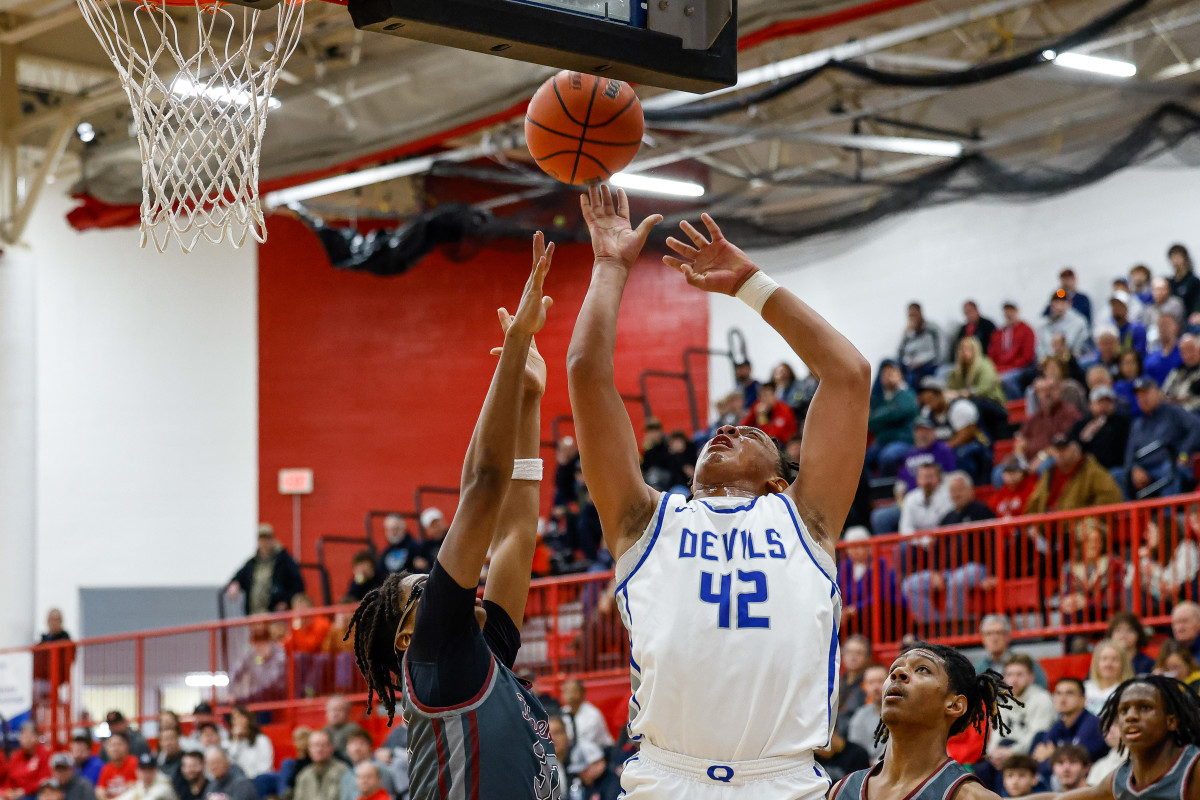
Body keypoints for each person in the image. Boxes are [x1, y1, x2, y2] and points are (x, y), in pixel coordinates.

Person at [568, 188, 869, 798]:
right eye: (719, 430)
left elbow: (848, 374)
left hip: (784, 782)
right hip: (664, 779)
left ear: (778, 481)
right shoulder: (646, 519)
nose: (726, 428)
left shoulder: (803, 517)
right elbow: (586, 371)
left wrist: (751, 286)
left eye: (751, 432)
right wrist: (608, 267)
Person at [345, 235, 563, 799]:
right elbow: (483, 488)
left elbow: (516, 535)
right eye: (425, 588)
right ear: (406, 633)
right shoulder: (435, 651)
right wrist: (512, 355)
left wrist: (530, 401)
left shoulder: (480, 659)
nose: (443, 585)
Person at [829, 643, 1017, 800]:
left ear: (955, 705)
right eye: (893, 669)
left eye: (922, 669)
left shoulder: (971, 797)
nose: (898, 673)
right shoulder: (842, 790)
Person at [1026, 675, 1200, 800]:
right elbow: (1059, 799)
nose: (1130, 717)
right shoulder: (1121, 779)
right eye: (1124, 710)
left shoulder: (1193, 768)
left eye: (1145, 708)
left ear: (1171, 721)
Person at [1118, 376, 1200, 499]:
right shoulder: (1137, 423)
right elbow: (1129, 454)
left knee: (1168, 469)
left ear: (1158, 393)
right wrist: (1134, 469)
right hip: (1145, 469)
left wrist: (1184, 453)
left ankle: (1167, 516)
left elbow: (1196, 427)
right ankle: (1130, 516)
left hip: (1170, 464)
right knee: (1117, 475)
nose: (1142, 398)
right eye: (1138, 395)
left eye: (1145, 393)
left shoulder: (1173, 412)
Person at [981, 656, 1056, 789]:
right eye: (1010, 674)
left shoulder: (1042, 698)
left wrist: (1010, 753)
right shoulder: (1002, 700)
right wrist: (993, 753)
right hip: (1007, 752)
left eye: (1020, 674)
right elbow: (997, 734)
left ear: (1031, 677)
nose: (1014, 680)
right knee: (982, 769)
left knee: (1009, 763)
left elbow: (1036, 737)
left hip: (1032, 753)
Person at [1024, 432, 1123, 516]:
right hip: (1048, 530)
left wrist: (1085, 515)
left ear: (1075, 449)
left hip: (1076, 527)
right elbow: (1034, 502)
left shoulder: (1091, 470)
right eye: (1057, 450)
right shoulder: (1049, 473)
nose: (1060, 453)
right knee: (1020, 536)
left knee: (1085, 530)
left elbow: (1111, 497)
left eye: (1064, 449)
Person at [916, 379, 992, 487]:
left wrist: (943, 449)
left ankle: (972, 486)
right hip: (946, 448)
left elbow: (967, 435)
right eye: (926, 401)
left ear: (940, 395)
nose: (929, 404)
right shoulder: (927, 413)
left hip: (974, 445)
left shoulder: (959, 407)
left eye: (931, 400)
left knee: (962, 455)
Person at [225, 524, 305, 615]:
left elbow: (298, 584)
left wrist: (286, 601)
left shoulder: (284, 560)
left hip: (275, 614)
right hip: (254, 614)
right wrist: (235, 584)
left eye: (267, 539)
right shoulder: (252, 563)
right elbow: (238, 577)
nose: (264, 543)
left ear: (273, 540)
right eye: (262, 539)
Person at [1031, 679, 1109, 771]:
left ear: (1083, 700)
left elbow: (1076, 763)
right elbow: (1038, 759)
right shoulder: (1059, 725)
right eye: (1058, 693)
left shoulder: (1093, 724)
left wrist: (1053, 754)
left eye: (1069, 693)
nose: (1062, 699)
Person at [866, 359, 919, 477]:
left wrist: (880, 416)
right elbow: (871, 422)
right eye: (884, 373)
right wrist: (887, 415)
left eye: (892, 372)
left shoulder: (907, 394)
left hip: (904, 441)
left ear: (900, 375)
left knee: (888, 457)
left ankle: (888, 489)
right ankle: (871, 491)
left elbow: (899, 412)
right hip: (882, 441)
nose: (888, 376)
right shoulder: (879, 398)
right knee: (860, 460)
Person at [976, 616, 1048, 688]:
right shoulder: (978, 669)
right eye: (989, 634)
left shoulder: (1025, 662)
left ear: (1008, 636)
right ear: (983, 638)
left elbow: (1041, 688)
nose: (994, 638)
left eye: (998, 633)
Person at [1070, 387, 1130, 472]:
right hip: (1086, 470)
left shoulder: (1122, 423)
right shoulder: (1081, 424)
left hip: (1114, 468)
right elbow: (1073, 447)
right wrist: (1084, 437)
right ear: (1091, 404)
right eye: (1100, 402)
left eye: (1108, 402)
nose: (1104, 405)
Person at [992, 301, 1038, 399]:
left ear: (1017, 311)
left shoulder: (1026, 330)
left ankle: (1017, 408)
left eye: (1011, 310)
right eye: (1006, 310)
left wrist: (1008, 368)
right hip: (999, 369)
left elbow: (1027, 356)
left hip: (1020, 368)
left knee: (1007, 380)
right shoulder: (998, 333)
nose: (1009, 313)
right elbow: (992, 354)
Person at [846, 665, 888, 764]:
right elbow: (855, 751)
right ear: (864, 687)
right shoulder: (860, 715)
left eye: (880, 681)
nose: (875, 687)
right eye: (871, 682)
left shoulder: (904, 714)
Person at [947, 337, 1006, 406]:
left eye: (968, 348)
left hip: (991, 402)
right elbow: (949, 389)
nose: (964, 352)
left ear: (975, 349)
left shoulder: (984, 364)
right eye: (962, 349)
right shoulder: (957, 371)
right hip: (968, 402)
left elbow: (984, 389)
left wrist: (963, 393)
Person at [336, 732, 394, 800]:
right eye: (353, 744)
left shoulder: (380, 769)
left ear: (370, 747)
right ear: (347, 749)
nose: (357, 748)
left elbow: (386, 794)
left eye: (362, 743)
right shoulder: (347, 774)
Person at [560, 679, 614, 752]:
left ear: (582, 693)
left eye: (572, 691)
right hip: (574, 754)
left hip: (602, 753)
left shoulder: (592, 714)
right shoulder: (562, 712)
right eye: (566, 691)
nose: (569, 695)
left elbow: (585, 744)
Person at [1084, 641, 1134, 716]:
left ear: (1123, 664)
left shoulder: (1129, 691)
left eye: (1114, 659)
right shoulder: (1085, 687)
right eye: (1104, 659)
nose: (1108, 664)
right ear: (1096, 663)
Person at [900, 303, 944, 385]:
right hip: (911, 366)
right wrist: (905, 335)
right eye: (910, 316)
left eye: (914, 315)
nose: (912, 318)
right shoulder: (909, 334)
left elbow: (941, 350)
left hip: (929, 365)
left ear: (920, 313)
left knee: (912, 376)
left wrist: (922, 361)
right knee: (885, 365)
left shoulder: (932, 329)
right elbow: (900, 355)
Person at [1038, 291, 1091, 361]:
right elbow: (1040, 348)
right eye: (1056, 302)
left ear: (1069, 304)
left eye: (1062, 303)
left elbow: (1076, 346)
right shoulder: (1044, 324)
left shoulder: (1078, 322)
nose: (1059, 306)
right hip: (1049, 362)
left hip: (1072, 361)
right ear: (1051, 305)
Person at [293, 733, 346, 800]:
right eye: (315, 746)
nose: (319, 750)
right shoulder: (304, 776)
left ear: (331, 748)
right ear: (309, 749)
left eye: (323, 745)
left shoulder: (343, 772)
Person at [6, 724, 52, 800]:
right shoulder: (15, 756)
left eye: (30, 736)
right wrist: (10, 792)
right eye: (24, 736)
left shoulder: (44, 754)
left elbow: (45, 780)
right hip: (17, 794)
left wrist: (24, 791)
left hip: (37, 794)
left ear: (37, 737)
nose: (27, 739)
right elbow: (10, 779)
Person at [226, 708, 273, 782]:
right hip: (239, 781)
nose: (238, 721)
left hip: (259, 779)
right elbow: (230, 762)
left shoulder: (261, 739)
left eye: (240, 717)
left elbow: (266, 765)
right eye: (234, 719)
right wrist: (236, 740)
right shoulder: (232, 742)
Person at [1163, 335, 1200, 412]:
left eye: (1191, 350)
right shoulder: (1177, 371)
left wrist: (1182, 401)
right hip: (1175, 413)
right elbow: (1164, 394)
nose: (1188, 355)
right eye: (1184, 352)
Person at [96, 735, 138, 800]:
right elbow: (100, 790)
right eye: (112, 745)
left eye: (119, 744)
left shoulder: (134, 763)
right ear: (106, 749)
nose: (115, 748)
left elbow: (140, 786)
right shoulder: (106, 768)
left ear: (127, 747)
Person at [1145, 314, 1182, 385]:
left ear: (1176, 327)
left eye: (1167, 324)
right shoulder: (1151, 357)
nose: (1164, 328)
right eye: (1161, 325)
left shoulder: (1183, 352)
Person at [1109, 292, 1147, 356]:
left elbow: (1138, 355)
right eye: (1114, 305)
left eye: (1119, 305)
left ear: (1126, 308)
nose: (1116, 309)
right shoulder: (1109, 330)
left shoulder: (1137, 329)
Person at [1169, 244, 1200, 319]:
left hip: (1190, 319)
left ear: (1185, 258)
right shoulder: (1170, 283)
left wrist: (1196, 312)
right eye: (1173, 257)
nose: (1175, 261)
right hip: (1174, 319)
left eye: (1178, 257)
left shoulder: (1194, 281)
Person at [413, 507, 448, 572]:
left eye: (438, 523)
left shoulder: (453, 540)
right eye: (433, 525)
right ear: (427, 529)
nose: (437, 527)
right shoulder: (425, 547)